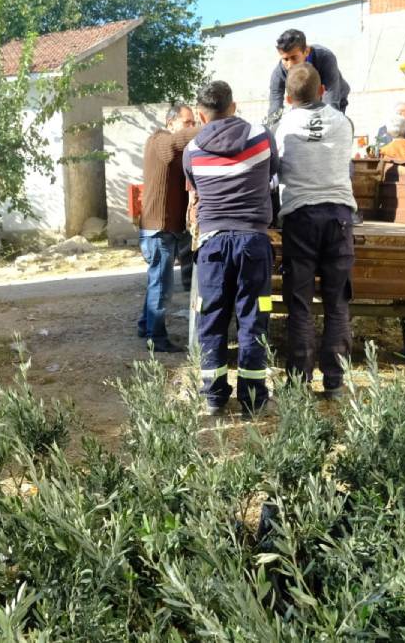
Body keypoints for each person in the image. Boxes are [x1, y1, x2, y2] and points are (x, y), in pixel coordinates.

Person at [183, 81, 279, 417]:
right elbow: (273, 175)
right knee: (253, 321)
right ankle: (253, 399)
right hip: (253, 242)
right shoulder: (262, 137)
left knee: (211, 321)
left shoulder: (192, 149)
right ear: (233, 106)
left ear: (200, 113)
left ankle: (213, 397)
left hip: (212, 246)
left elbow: (195, 192)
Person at [275, 63, 357, 400]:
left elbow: (276, 169)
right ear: (322, 90)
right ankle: (335, 383)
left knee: (300, 304)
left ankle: (299, 382)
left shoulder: (283, 126)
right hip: (339, 216)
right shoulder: (343, 123)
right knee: (337, 303)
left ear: (287, 96)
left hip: (300, 218)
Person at [134, 104, 200, 353]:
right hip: (157, 229)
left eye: (194, 122)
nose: (191, 127)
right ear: (170, 122)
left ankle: (145, 325)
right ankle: (156, 338)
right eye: (188, 122)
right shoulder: (158, 140)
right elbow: (175, 144)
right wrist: (214, 125)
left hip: (163, 228)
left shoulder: (172, 146)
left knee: (156, 281)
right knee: (161, 287)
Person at [268, 29, 350, 119]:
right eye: (285, 59)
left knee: (332, 124)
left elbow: (331, 97)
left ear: (306, 51)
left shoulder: (325, 57)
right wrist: (272, 124)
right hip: (304, 105)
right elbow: (275, 103)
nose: (290, 65)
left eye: (294, 58)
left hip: (335, 97)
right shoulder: (279, 72)